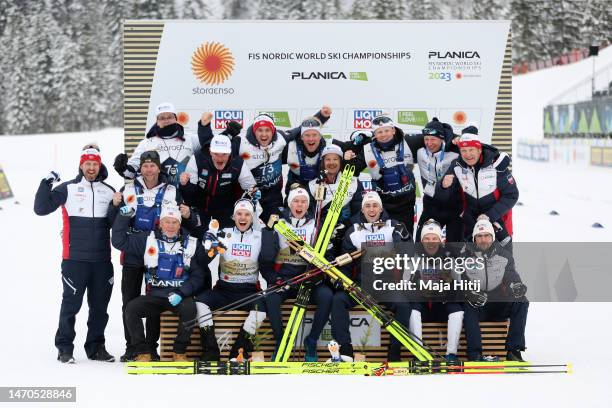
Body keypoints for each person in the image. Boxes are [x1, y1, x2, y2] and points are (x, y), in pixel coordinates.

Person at [34, 143, 116, 364]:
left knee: (100, 308)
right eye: (87, 164)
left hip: (101, 261)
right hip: (74, 260)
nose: (91, 168)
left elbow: (113, 223)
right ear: (81, 165)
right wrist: (46, 182)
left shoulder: (109, 191)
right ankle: (64, 348)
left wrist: (118, 207)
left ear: (100, 166)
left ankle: (96, 347)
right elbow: (41, 208)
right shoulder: (68, 189)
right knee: (71, 305)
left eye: (95, 164)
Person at [107, 150, 182, 362]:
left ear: (159, 168)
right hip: (132, 249)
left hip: (159, 252)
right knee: (128, 300)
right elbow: (113, 219)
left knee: (153, 300)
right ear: (140, 168)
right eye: (145, 165)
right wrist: (114, 205)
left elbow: (178, 219)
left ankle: (150, 347)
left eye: (152, 165)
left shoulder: (171, 190)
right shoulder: (128, 188)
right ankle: (132, 346)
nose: (149, 169)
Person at [112, 204, 207, 362]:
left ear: (179, 224)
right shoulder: (148, 239)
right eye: (166, 222)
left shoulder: (191, 243)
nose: (170, 226)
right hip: (156, 295)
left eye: (174, 222)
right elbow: (119, 242)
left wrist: (182, 293)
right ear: (160, 223)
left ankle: (179, 351)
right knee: (131, 309)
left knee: (190, 308)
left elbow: (198, 277)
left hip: (179, 295)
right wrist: (122, 218)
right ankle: (143, 352)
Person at [330, 191, 412, 361]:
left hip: (387, 284)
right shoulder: (354, 231)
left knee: (404, 305)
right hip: (363, 284)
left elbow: (407, 252)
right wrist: (343, 280)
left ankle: (394, 352)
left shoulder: (394, 226)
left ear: (381, 209)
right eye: (368, 206)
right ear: (362, 210)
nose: (372, 209)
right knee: (338, 299)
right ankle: (345, 350)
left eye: (375, 205)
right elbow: (345, 262)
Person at [195, 199, 275, 361]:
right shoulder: (224, 233)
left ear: (252, 217)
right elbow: (204, 261)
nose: (243, 217)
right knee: (200, 303)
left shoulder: (259, 236)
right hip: (224, 289)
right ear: (234, 216)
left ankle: (239, 352)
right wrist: (208, 244)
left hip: (249, 290)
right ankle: (210, 351)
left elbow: (267, 262)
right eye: (239, 214)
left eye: (247, 214)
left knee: (262, 307)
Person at [263, 186, 334, 361]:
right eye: (296, 201)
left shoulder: (316, 225)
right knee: (270, 296)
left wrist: (318, 276)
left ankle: (311, 341)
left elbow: (327, 257)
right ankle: (281, 341)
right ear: (289, 203)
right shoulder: (280, 224)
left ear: (308, 205)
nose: (299, 205)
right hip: (285, 279)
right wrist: (275, 279)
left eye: (303, 202)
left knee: (326, 296)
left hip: (309, 279)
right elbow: (265, 259)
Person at [344, 115, 426, 238]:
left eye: (387, 130)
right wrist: (347, 158)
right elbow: (351, 170)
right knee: (384, 240)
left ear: (393, 130)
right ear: (374, 134)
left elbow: (436, 137)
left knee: (404, 237)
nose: (383, 135)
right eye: (379, 132)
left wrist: (455, 139)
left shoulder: (409, 141)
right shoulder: (367, 149)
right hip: (382, 205)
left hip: (406, 202)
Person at [437, 125, 518, 247]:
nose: (467, 155)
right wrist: (443, 185)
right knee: (472, 261)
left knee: (502, 261)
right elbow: (443, 193)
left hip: (497, 220)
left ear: (479, 149)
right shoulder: (457, 166)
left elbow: (512, 195)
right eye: (464, 151)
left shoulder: (496, 165)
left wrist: (489, 215)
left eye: (471, 150)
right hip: (471, 222)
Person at [461, 219, 528, 361]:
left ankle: (514, 350)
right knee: (468, 304)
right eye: (479, 236)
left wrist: (517, 286)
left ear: (492, 237)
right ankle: (474, 353)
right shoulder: (465, 256)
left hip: (498, 304)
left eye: (486, 235)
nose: (483, 239)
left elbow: (512, 276)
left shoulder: (504, 255)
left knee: (522, 301)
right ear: (474, 238)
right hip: (478, 305)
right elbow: (459, 281)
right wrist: (469, 293)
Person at [406, 220, 464, 362]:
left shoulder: (449, 256)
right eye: (427, 238)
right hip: (423, 304)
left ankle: (451, 355)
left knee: (457, 311)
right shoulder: (414, 257)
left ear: (440, 240)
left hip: (441, 305)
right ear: (421, 241)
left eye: (434, 238)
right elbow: (405, 282)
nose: (430, 242)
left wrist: (449, 282)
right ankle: (418, 353)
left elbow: (459, 283)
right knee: (413, 311)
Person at [179, 135, 257, 235]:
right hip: (201, 210)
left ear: (229, 153)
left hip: (226, 212)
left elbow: (250, 187)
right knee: (200, 240)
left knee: (224, 243)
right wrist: (184, 185)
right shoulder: (197, 160)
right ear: (210, 152)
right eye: (216, 154)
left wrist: (253, 194)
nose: (220, 158)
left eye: (224, 154)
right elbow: (189, 196)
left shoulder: (238, 163)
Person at [113, 102, 195, 188]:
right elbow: (131, 173)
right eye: (162, 118)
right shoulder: (146, 143)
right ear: (157, 121)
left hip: (187, 195)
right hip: (160, 197)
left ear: (175, 119)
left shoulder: (191, 139)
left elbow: (209, 150)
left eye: (170, 117)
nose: (166, 121)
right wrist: (122, 168)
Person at [414, 118, 462, 243]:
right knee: (420, 245)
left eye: (433, 139)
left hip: (454, 206)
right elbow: (393, 140)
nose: (429, 143)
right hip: (431, 205)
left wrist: (459, 137)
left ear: (442, 139)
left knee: (455, 250)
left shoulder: (457, 151)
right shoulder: (419, 150)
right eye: (426, 139)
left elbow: (478, 149)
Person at [283, 107, 335, 194]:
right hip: (296, 186)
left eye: (314, 135)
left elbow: (351, 146)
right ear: (301, 136)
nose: (311, 139)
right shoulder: (290, 146)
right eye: (307, 135)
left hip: (320, 186)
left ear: (320, 136)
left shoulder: (329, 147)